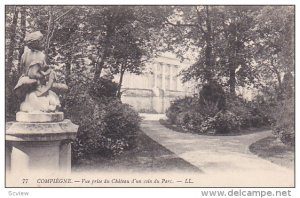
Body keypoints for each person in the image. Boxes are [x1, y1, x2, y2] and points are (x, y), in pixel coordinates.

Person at [14, 31, 66, 112]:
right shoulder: (40, 55)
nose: (44, 43)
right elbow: (34, 73)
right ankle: (49, 106)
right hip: (37, 84)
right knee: (59, 89)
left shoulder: (25, 55)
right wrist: (45, 74)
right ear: (36, 43)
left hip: (27, 81)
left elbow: (23, 69)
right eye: (42, 41)